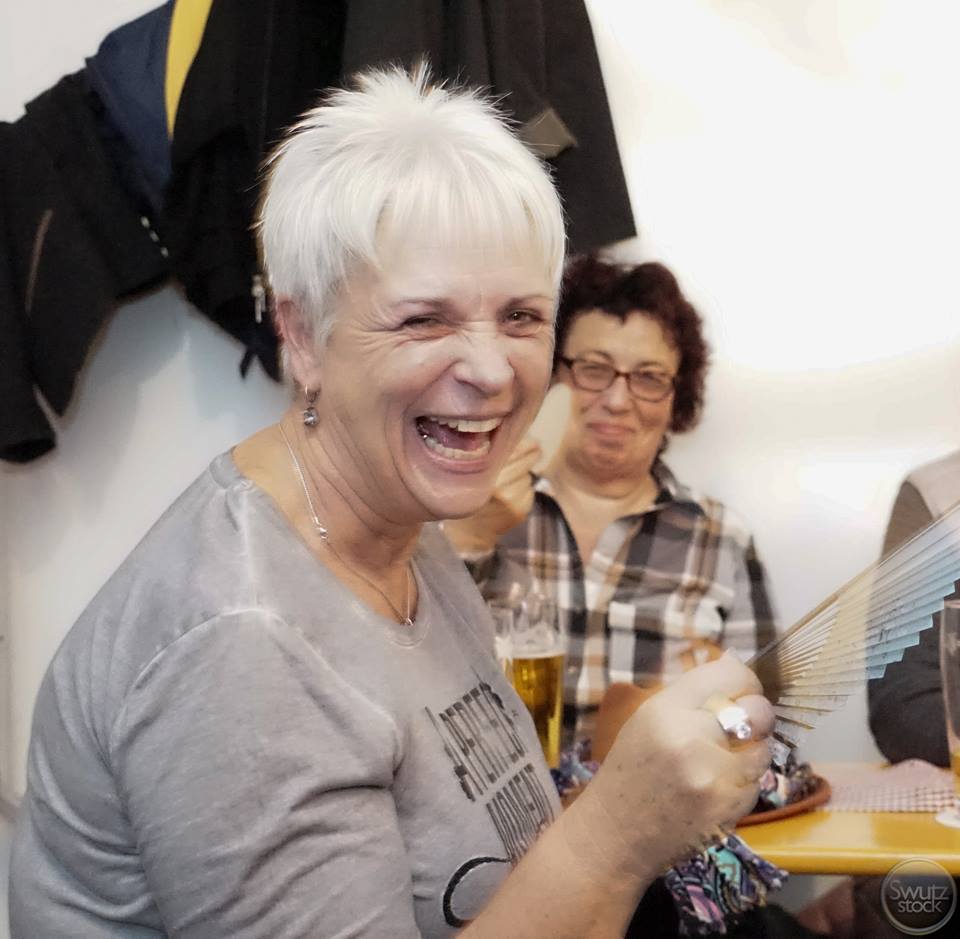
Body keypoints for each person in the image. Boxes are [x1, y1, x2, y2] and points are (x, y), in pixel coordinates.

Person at [9, 67, 774, 938]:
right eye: (424, 319)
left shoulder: (406, 534)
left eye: (522, 317)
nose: (491, 370)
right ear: (302, 335)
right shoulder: (244, 641)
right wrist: (615, 837)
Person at [444, 255, 777, 744]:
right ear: (549, 375)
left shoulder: (720, 538)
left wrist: (720, 715)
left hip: (660, 793)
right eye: (594, 369)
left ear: (676, 398)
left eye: (649, 377)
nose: (618, 401)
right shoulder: (464, 504)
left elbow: (768, 730)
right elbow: (404, 680)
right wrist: (469, 540)